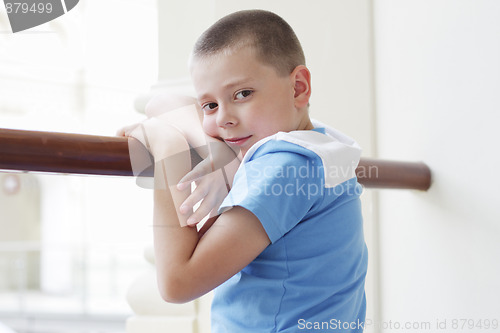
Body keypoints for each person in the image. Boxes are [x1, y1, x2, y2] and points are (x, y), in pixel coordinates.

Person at [121, 9, 368, 332]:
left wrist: (168, 146)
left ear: (298, 88)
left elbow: (177, 283)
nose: (223, 119)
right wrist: (213, 147)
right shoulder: (316, 146)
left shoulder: (285, 167)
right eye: (209, 105)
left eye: (242, 94)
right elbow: (161, 102)